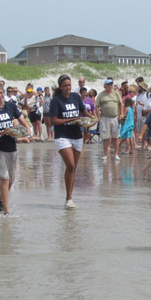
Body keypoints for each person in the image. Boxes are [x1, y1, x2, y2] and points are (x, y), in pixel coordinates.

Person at [0, 84, 31, 214]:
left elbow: (21, 119)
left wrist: (26, 129)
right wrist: (2, 132)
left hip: (11, 146)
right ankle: (6, 211)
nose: (0, 96)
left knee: (12, 178)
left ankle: (1, 197)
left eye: (1, 93)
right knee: (4, 178)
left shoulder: (11, 106)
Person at [49, 75, 95, 209]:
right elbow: (53, 121)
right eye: (64, 86)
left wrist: (93, 119)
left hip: (76, 135)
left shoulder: (75, 97)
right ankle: (68, 198)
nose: (67, 88)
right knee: (69, 165)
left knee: (73, 167)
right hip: (62, 136)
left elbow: (84, 112)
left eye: (69, 85)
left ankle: (69, 198)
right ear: (60, 87)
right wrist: (70, 120)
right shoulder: (56, 101)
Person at [96, 78, 123, 161]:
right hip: (104, 118)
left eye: (111, 84)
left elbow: (120, 103)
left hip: (115, 117)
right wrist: (98, 117)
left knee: (116, 137)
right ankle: (105, 155)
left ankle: (116, 154)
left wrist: (121, 113)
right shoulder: (101, 94)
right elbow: (97, 106)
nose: (110, 86)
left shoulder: (116, 93)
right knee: (105, 137)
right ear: (105, 86)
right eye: (108, 84)